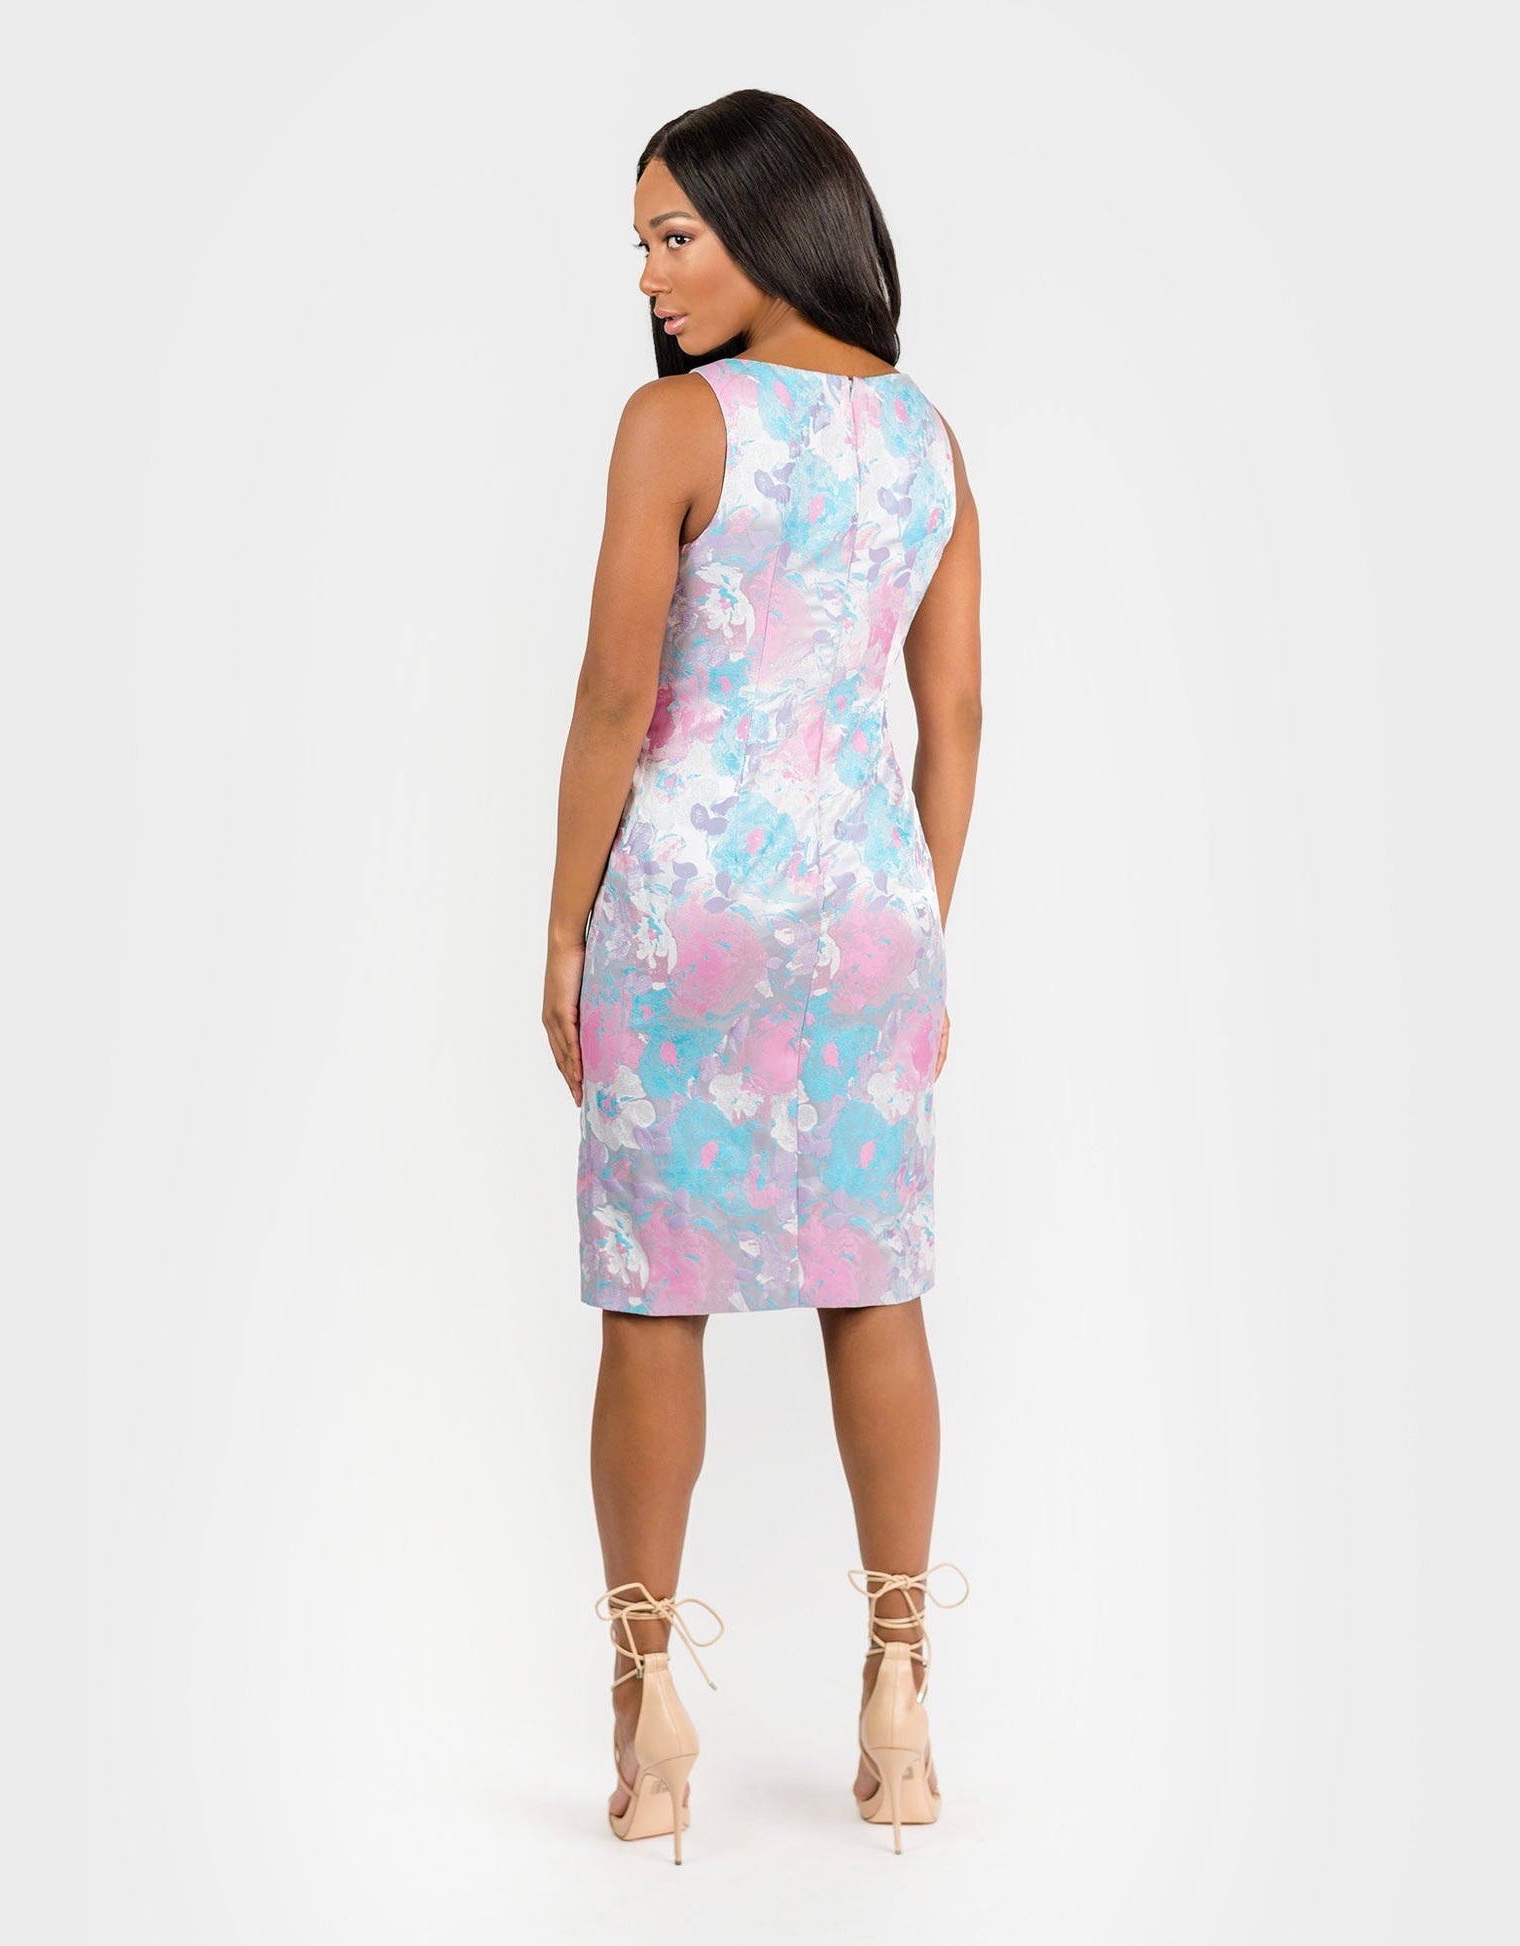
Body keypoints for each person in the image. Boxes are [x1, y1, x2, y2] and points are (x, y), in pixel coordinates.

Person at [541, 90, 982, 1861]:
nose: (651, 278)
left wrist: (563, 928)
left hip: (686, 908)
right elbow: (953, 717)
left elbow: (612, 697)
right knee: (875, 1284)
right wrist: (916, 924)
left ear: (773, 222)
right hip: (867, 908)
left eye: (676, 235)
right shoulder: (929, 437)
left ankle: (648, 1707)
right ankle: (902, 1687)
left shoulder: (677, 423)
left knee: (657, 1300)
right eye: (642, 244)